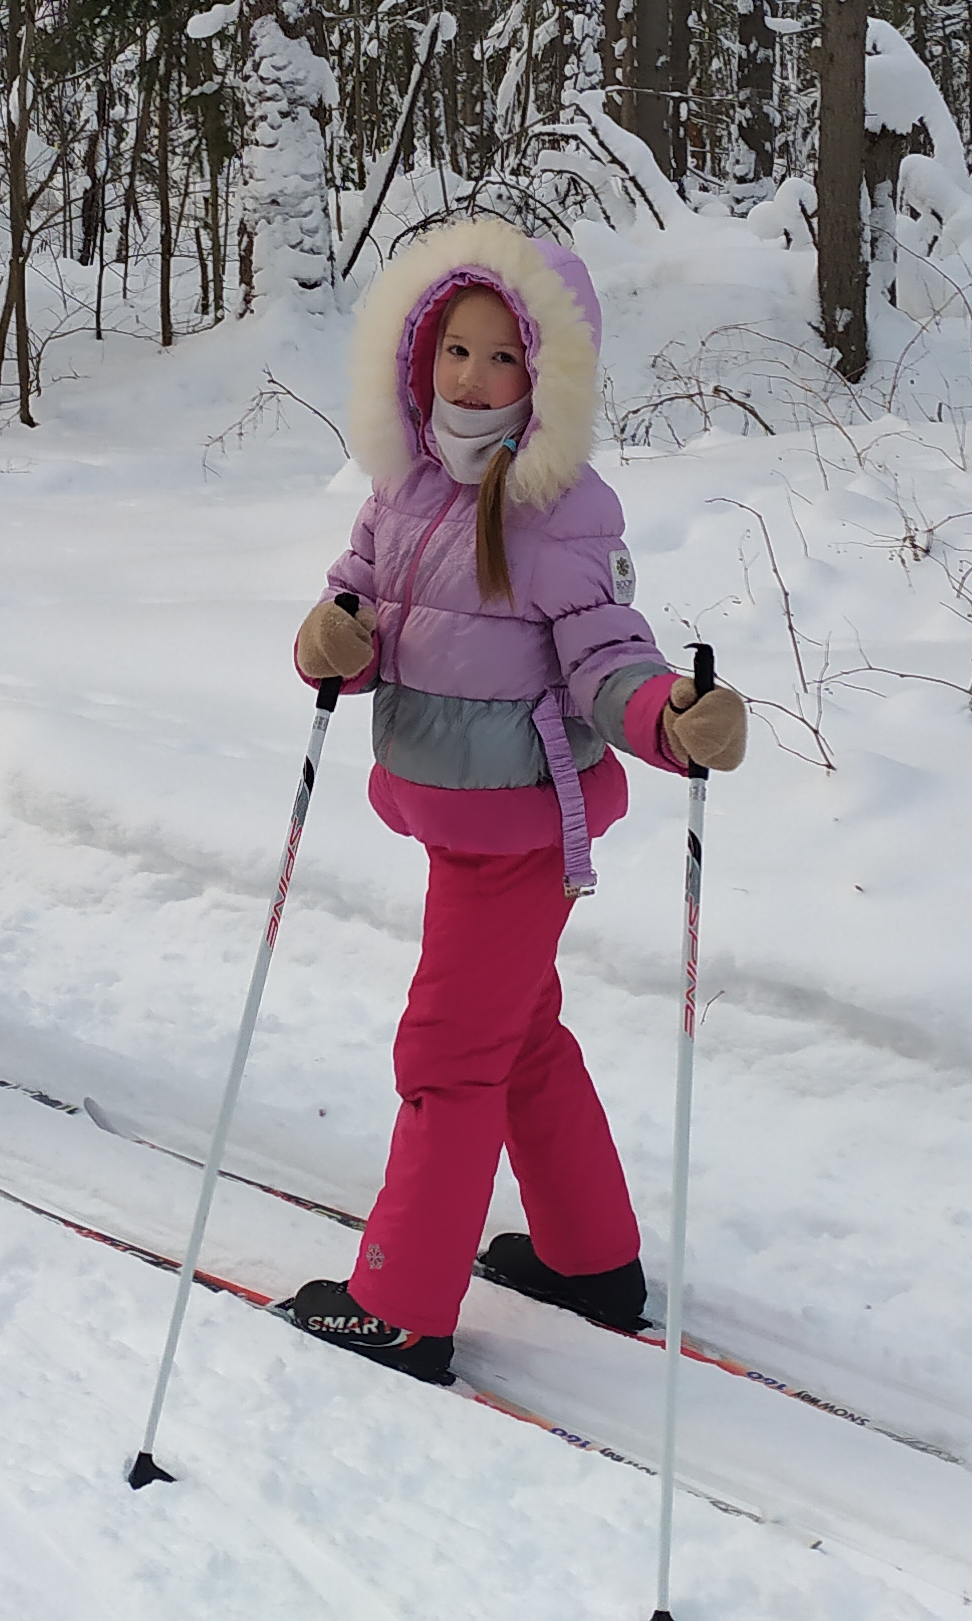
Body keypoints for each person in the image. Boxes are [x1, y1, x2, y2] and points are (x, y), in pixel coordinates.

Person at [277, 218, 749, 1384]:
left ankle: (400, 1304)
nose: (474, 378)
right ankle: (590, 1258)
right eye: (456, 350)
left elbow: (607, 658)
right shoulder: (403, 488)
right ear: (417, 353)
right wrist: (329, 639)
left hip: (525, 830)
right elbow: (356, 612)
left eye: (502, 356)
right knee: (517, 1035)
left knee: (446, 1050)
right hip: (450, 819)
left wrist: (666, 720)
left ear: (546, 372)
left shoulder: (560, 511)